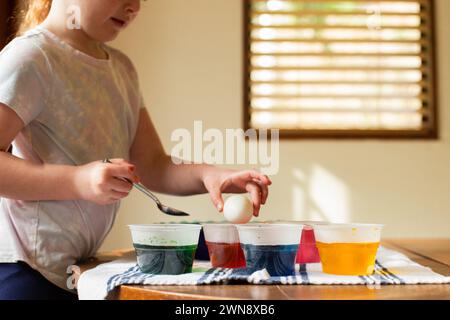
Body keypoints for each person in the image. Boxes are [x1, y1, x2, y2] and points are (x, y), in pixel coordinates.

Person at [0, 0, 271, 300]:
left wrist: (211, 175)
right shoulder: (30, 57)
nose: (133, 7)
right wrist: (79, 181)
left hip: (77, 272)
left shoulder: (121, 70)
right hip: (22, 271)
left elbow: (153, 166)